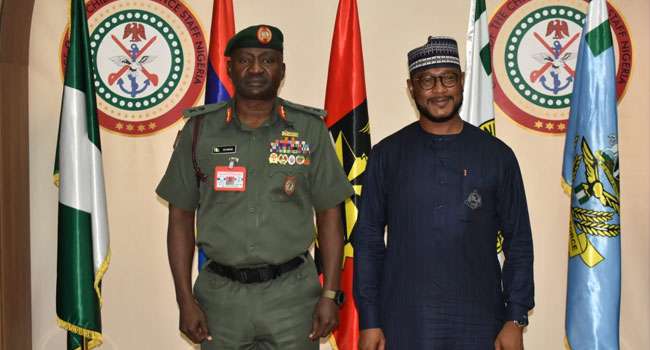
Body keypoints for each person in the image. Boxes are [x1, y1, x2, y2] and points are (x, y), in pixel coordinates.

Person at [156, 24, 353, 350]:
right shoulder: (199, 131)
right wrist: (184, 300)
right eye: (245, 59)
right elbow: (179, 218)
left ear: (282, 69)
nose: (257, 68)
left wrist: (330, 294)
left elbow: (331, 216)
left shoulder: (309, 130)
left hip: (293, 298)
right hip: (220, 301)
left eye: (268, 59)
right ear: (230, 67)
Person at [353, 36, 534, 350]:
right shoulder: (387, 155)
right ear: (411, 88)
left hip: (480, 322)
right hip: (403, 321)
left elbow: (518, 242)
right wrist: (369, 319)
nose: (439, 90)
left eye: (448, 78)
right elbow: (368, 240)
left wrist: (515, 317)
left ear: (462, 81)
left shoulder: (496, 155)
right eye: (427, 81)